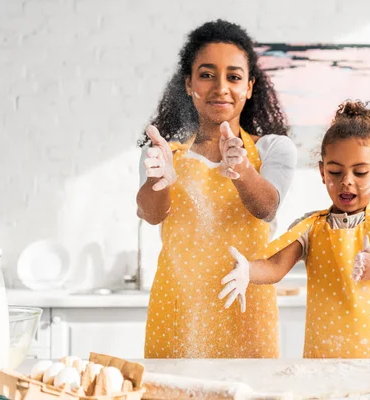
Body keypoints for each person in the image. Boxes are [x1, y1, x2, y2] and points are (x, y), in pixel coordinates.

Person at [136, 19, 297, 358]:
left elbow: (266, 207)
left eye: (234, 77)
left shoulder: (273, 150)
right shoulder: (164, 152)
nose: (220, 87)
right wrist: (159, 181)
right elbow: (151, 215)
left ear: (250, 87)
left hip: (245, 310)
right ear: (189, 84)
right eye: (207, 75)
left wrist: (241, 169)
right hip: (178, 310)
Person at [220, 100, 370, 358]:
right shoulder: (310, 226)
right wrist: (248, 270)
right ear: (322, 172)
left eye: (360, 172)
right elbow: (276, 268)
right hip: (324, 358)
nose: (346, 182)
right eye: (335, 171)